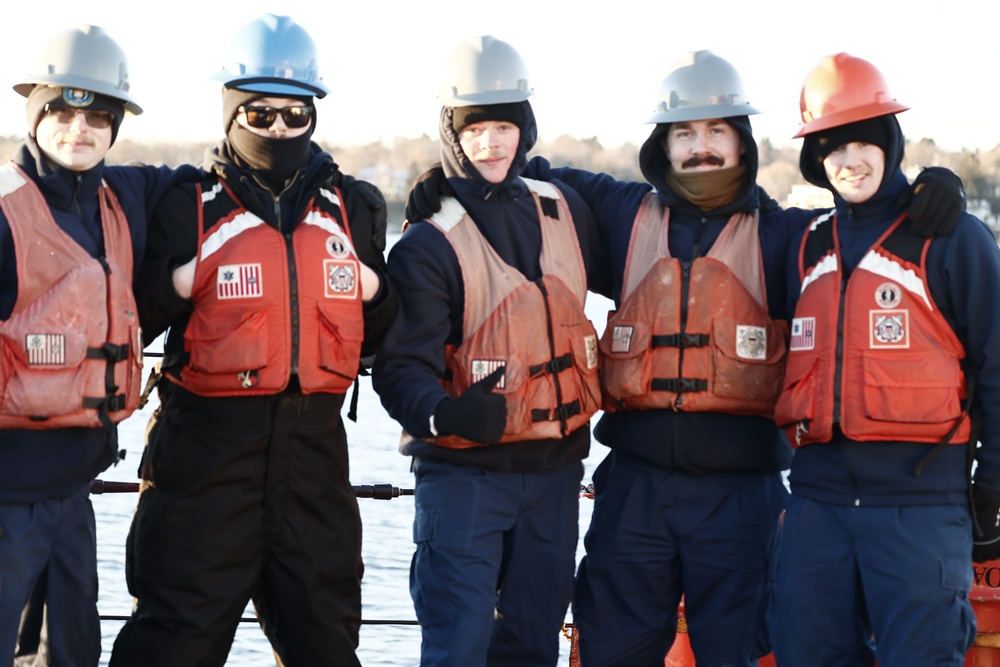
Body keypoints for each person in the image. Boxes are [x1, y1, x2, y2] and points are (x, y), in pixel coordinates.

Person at [403, 50, 966, 667]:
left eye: (717, 130)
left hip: (741, 499)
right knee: (612, 648)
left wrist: (931, 188)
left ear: (743, 141)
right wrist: (447, 182)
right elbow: (514, 167)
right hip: (633, 495)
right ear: (662, 147)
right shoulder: (617, 214)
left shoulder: (789, 238)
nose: (702, 147)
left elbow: (863, 220)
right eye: (685, 133)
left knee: (736, 651)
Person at [107, 14, 397, 667]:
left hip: (315, 461)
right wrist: (176, 281)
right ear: (232, 112)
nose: (279, 130)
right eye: (260, 115)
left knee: (325, 642)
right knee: (172, 641)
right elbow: (135, 319)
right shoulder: (188, 203)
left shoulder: (356, 208)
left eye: (295, 115)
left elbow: (382, 337)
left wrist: (379, 292)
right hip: (203, 459)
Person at [371, 35, 609, 667]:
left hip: (555, 476)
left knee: (532, 645)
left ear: (524, 129)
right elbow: (399, 369)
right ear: (452, 134)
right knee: (460, 644)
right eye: (475, 130)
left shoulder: (565, 209)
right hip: (465, 482)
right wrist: (441, 414)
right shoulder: (426, 244)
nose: (492, 143)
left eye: (505, 126)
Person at [770, 52, 1000, 666]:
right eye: (832, 147)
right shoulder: (804, 246)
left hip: (920, 508)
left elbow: (999, 366)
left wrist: (994, 484)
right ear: (815, 160)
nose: (850, 160)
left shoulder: (954, 238)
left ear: (890, 142)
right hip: (817, 507)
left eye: (864, 141)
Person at [0, 24, 198, 667]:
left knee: (71, 654)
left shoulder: (125, 196)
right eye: (61, 110)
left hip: (71, 492)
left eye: (96, 115)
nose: (77, 130)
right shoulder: (4, 212)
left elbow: (221, 172)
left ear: (115, 125)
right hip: (6, 494)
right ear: (35, 113)